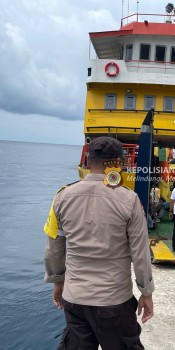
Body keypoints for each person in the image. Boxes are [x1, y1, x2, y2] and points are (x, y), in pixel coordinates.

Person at [43, 136, 154, 350]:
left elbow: (54, 247)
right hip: (114, 301)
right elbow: (140, 252)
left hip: (75, 299)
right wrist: (146, 293)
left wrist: (58, 283)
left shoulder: (62, 197)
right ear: (119, 164)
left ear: (87, 160)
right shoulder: (129, 200)